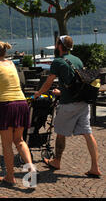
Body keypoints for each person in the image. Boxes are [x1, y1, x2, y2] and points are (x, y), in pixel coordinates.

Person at [34, 35, 101, 178]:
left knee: (60, 132)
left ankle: (56, 161)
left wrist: (38, 93)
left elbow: (48, 82)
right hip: (83, 102)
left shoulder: (58, 61)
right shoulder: (78, 60)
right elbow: (76, 82)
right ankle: (95, 167)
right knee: (88, 133)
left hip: (68, 104)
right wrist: (62, 91)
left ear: (59, 46)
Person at [0, 41, 34, 186]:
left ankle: (10, 177)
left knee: (6, 144)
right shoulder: (11, 64)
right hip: (21, 102)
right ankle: (31, 168)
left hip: (7, 104)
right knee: (19, 140)